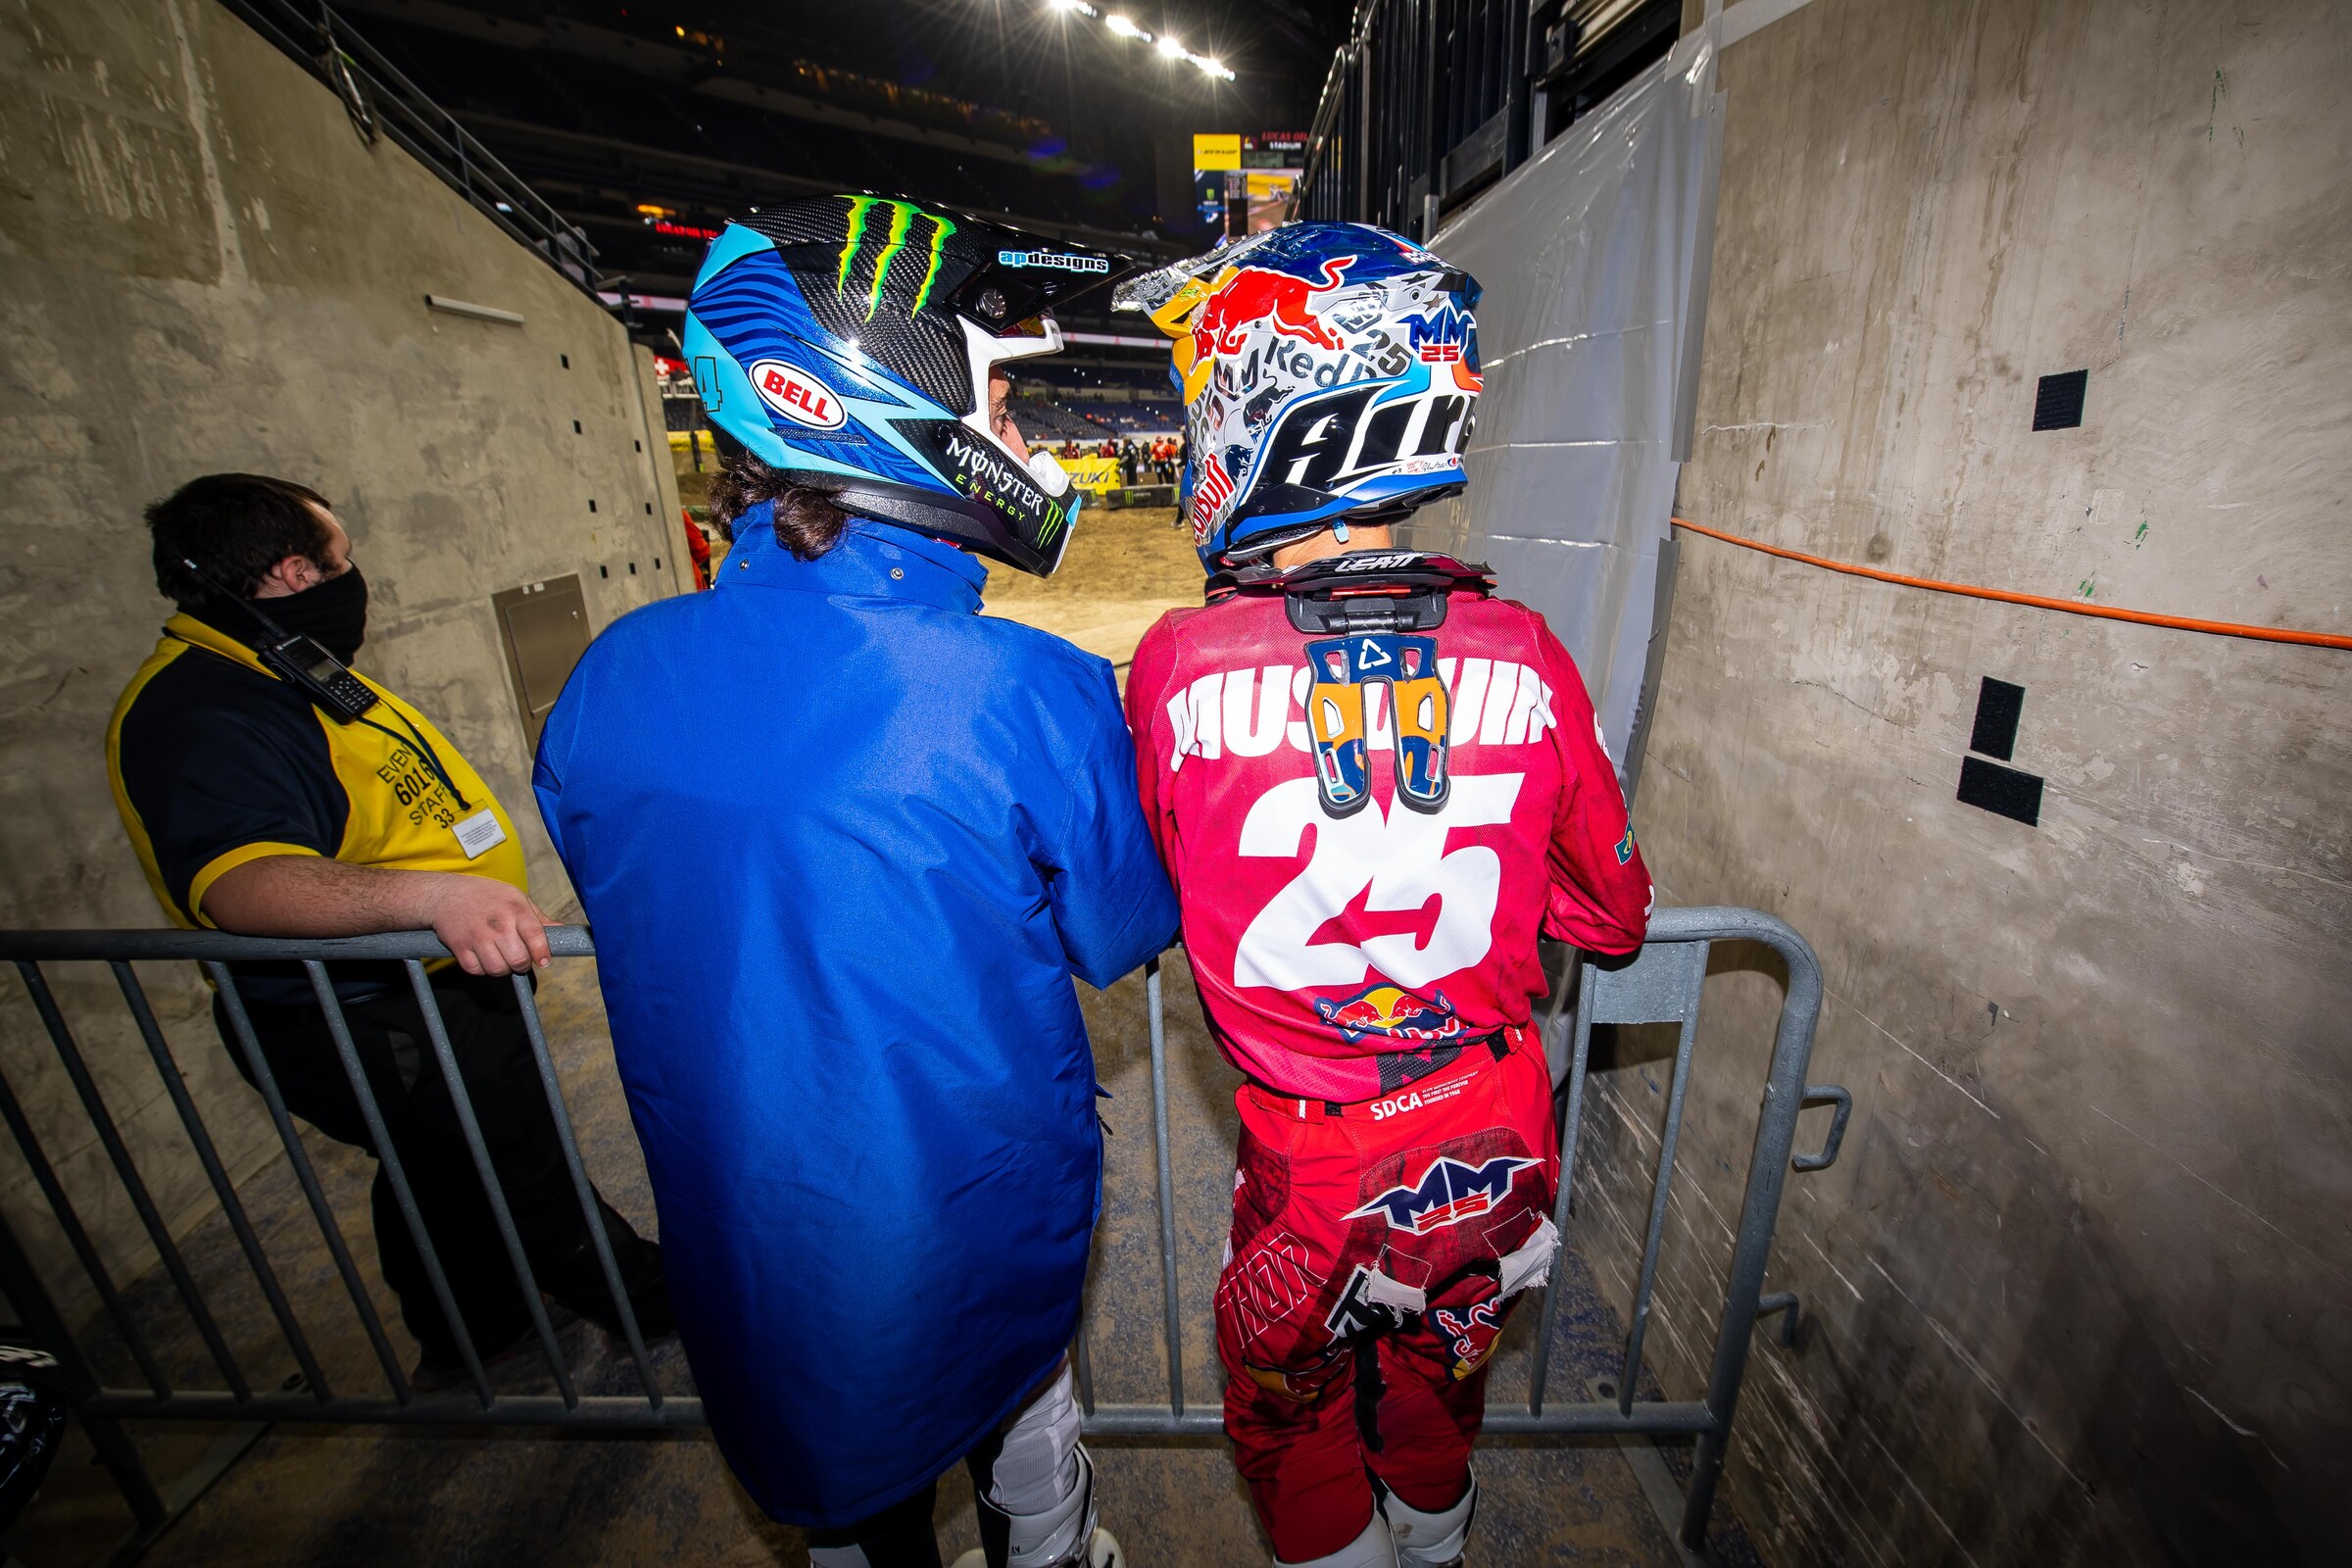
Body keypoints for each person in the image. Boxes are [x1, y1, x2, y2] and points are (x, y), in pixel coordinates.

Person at [532, 197, 1177, 1568]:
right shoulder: (1023, 687)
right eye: (1005, 406)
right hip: (972, 1181)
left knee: (833, 1479)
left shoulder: (607, 674)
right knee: (1024, 1423)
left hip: (739, 1198)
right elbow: (1121, 930)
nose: (1030, 447)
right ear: (875, 393)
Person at [1113, 224, 1654, 1568]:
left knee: (1288, 1424)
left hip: (1317, 1157)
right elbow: (1612, 918)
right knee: (1434, 1383)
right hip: (1495, 1127)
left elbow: (1148, 902)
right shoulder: (1524, 646)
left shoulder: (1179, 666)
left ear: (1267, 404)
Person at [108, 473, 671, 1388]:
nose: (349, 574)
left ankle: (473, 1331)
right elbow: (244, 881)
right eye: (339, 558)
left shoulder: (273, 660)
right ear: (293, 571)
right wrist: (431, 903)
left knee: (437, 1161)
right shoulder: (205, 709)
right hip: (376, 1006)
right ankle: (648, 1301)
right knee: (517, 1157)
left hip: (423, 984)